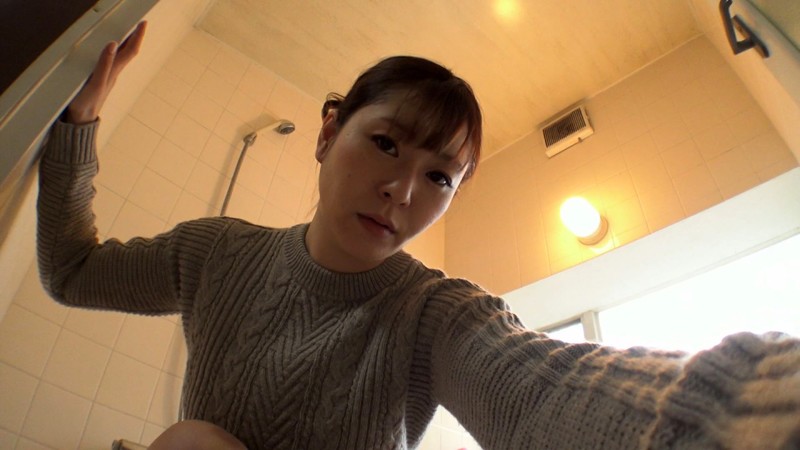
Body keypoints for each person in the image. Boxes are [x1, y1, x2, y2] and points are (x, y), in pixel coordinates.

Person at [37, 22, 800, 450]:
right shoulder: (217, 255)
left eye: (440, 176)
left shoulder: (435, 314)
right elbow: (70, 271)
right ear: (328, 133)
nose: (403, 191)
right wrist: (77, 121)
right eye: (386, 144)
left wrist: (750, 414)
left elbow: (539, 392)